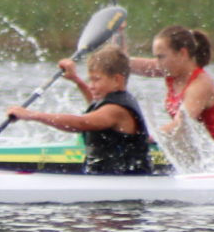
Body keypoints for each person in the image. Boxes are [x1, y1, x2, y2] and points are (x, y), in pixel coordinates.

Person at [8, 44, 154, 174]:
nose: (91, 85)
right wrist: (76, 79)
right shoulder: (111, 102)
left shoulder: (116, 110)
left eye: (96, 79)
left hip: (124, 183)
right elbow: (95, 106)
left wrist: (32, 115)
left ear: (117, 80)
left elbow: (81, 123)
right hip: (107, 178)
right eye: (90, 80)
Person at [128, 25, 214, 145]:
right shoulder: (172, 70)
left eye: (161, 57)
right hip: (189, 148)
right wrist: (118, 35)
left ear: (182, 54)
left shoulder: (200, 85)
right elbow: (127, 64)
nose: (158, 63)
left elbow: (180, 125)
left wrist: (141, 139)